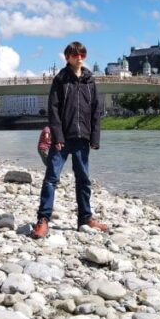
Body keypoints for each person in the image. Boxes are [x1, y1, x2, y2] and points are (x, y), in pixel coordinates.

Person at [31, 41, 107, 238]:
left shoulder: (90, 80)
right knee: (51, 179)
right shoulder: (60, 79)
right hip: (62, 139)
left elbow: (96, 110)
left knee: (83, 180)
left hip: (83, 138)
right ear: (67, 57)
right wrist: (57, 136)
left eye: (82, 53)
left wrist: (95, 137)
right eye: (75, 54)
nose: (79, 57)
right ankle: (43, 220)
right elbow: (53, 110)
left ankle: (85, 218)